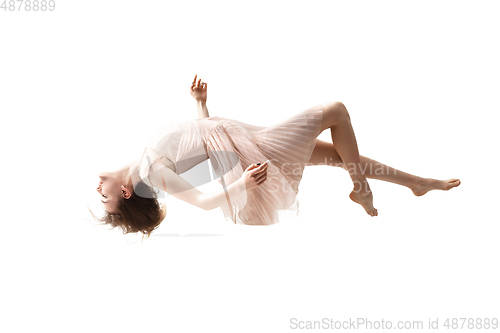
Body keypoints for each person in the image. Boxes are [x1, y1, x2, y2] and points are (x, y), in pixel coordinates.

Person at [91, 74, 461, 238]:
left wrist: (202, 106)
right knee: (335, 110)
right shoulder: (152, 173)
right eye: (106, 198)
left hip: (251, 141)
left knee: (342, 156)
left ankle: (417, 183)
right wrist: (242, 183)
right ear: (125, 194)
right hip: (259, 151)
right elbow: (204, 202)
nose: (98, 190)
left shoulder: (147, 160)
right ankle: (362, 189)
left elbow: (201, 143)